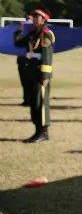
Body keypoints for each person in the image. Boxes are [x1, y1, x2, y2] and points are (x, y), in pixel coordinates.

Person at [13, 8, 55, 143]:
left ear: (44, 19)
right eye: (34, 17)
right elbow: (18, 42)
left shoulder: (45, 34)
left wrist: (45, 75)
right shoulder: (32, 33)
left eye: (38, 17)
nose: (34, 19)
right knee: (33, 103)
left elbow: (47, 57)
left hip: (39, 73)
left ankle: (43, 132)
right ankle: (37, 131)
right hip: (30, 72)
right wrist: (19, 30)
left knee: (40, 103)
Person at [14, 14, 33, 106]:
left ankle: (32, 100)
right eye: (27, 19)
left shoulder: (34, 33)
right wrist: (19, 30)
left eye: (30, 19)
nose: (28, 21)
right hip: (21, 60)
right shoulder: (21, 32)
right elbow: (17, 43)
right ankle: (26, 100)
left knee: (30, 81)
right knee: (24, 81)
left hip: (31, 61)